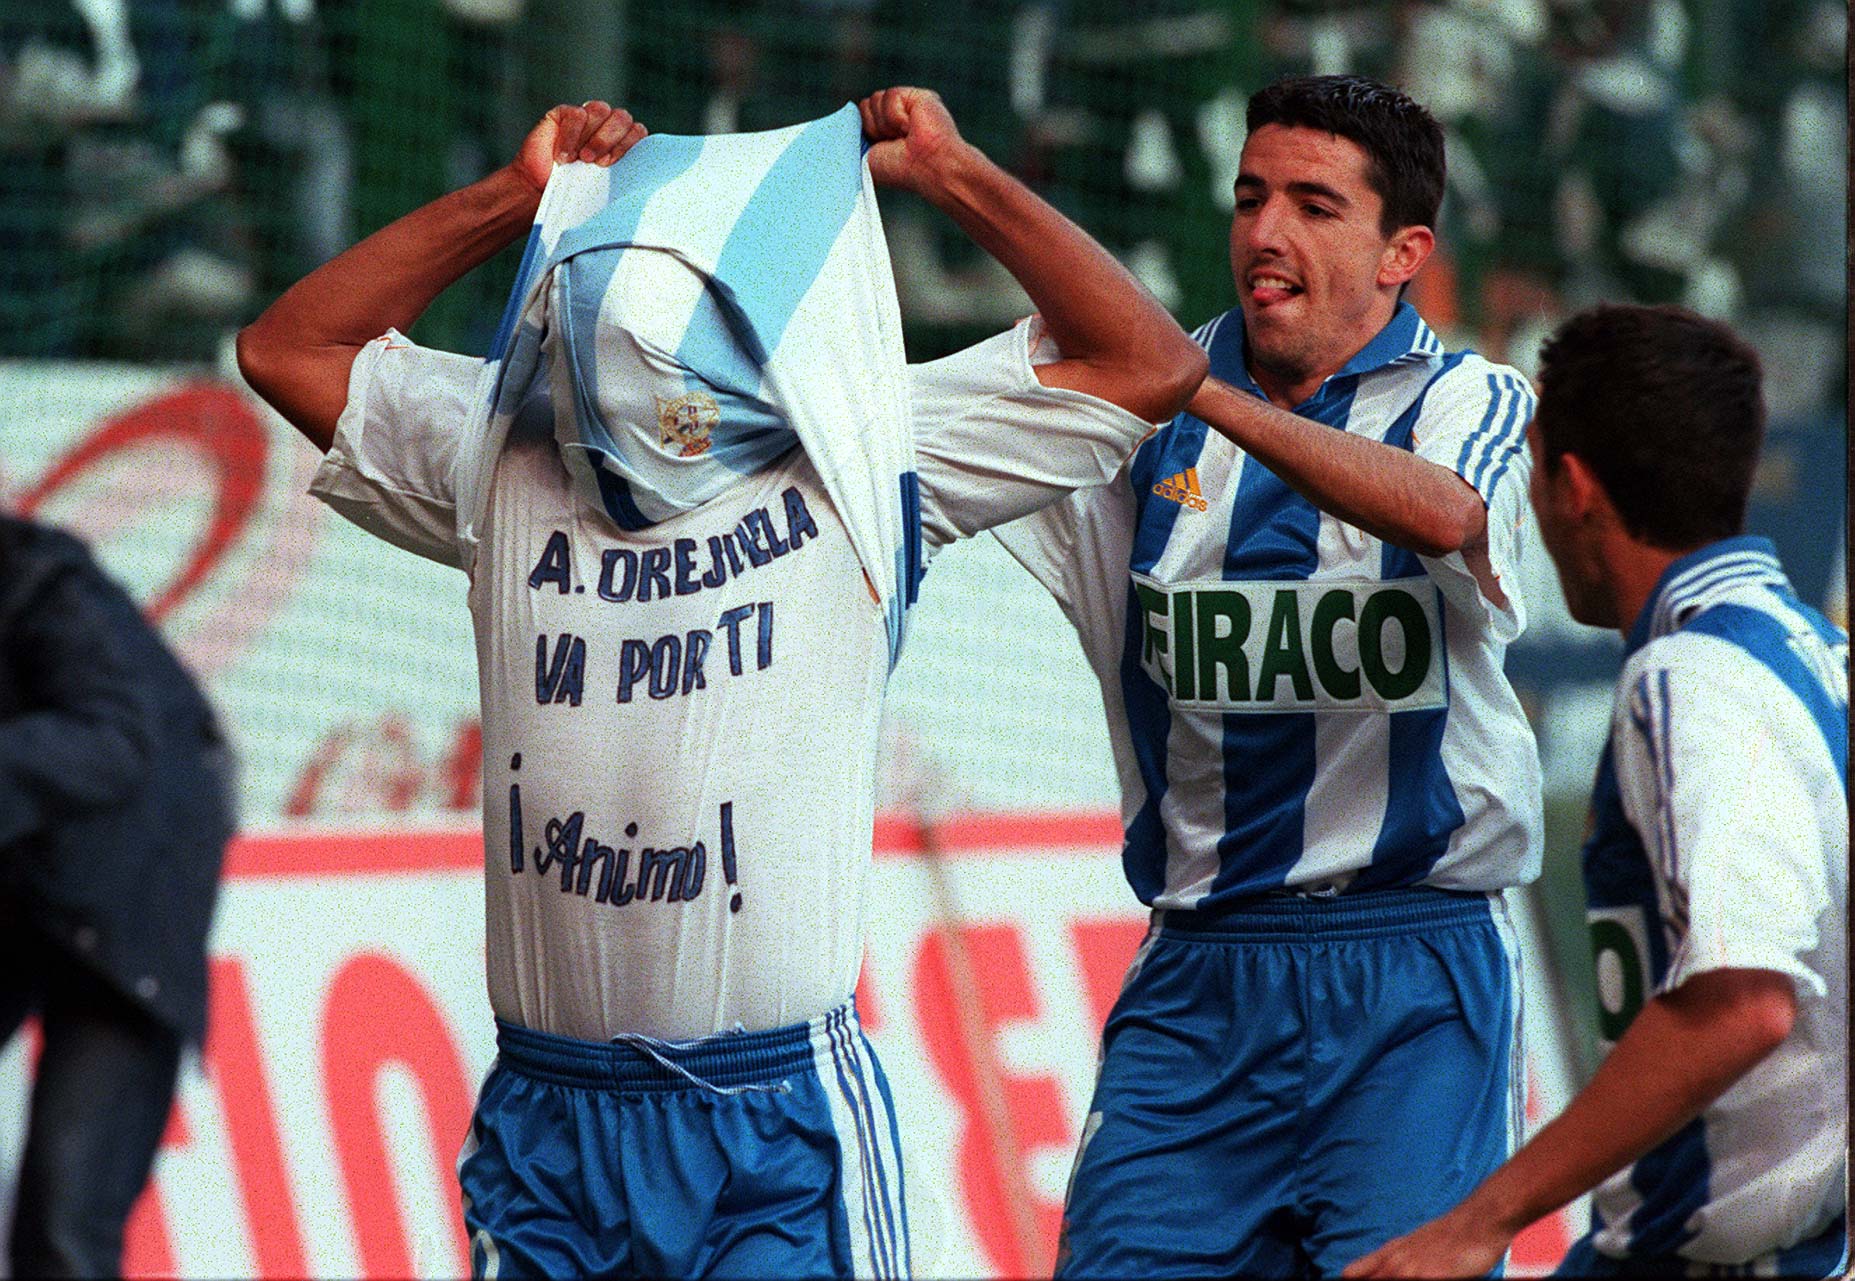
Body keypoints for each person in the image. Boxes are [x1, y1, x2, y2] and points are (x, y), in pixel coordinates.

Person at [236, 89, 1204, 1279]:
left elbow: (1148, 363)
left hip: (773, 1132)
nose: (642, 386)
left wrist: (955, 177)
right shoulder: (503, 450)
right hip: (549, 1123)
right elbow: (285, 349)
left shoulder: (866, 448)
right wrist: (513, 195)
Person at [992, 73, 1543, 1276]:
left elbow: (1448, 517)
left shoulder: (1470, 400)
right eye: (1250, 199)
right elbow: (925, 452)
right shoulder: (1139, 405)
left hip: (1412, 968)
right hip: (1199, 972)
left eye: (1313, 204)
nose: (1265, 233)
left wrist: (1215, 403)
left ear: (1404, 252)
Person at [1347, 304, 1848, 1279]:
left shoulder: (1691, 678)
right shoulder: (1815, 651)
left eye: (1530, 470)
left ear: (1571, 487)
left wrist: (1477, 1222)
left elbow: (1745, 1002)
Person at [0, 512, 234, 1278]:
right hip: (23, 886)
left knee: (64, 1222)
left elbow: (117, 740)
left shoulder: (41, 583)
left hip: (130, 902)